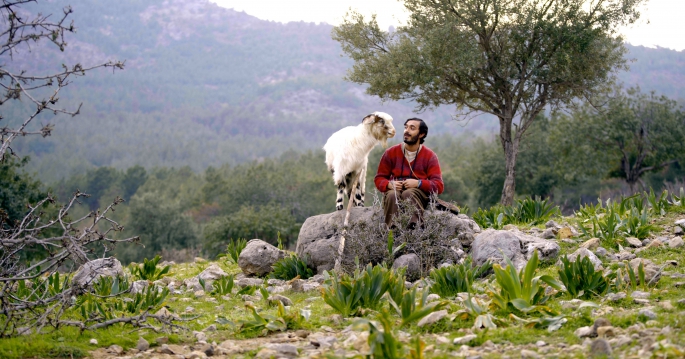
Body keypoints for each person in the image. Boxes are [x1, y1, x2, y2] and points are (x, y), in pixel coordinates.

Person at [374, 118, 444, 228]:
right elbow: (379, 178)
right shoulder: (390, 153)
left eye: (412, 128)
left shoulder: (430, 156)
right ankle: (392, 232)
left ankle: (414, 229)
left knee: (409, 193)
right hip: (394, 193)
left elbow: (438, 186)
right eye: (406, 127)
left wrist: (418, 184)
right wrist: (389, 184)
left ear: (421, 134)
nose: (407, 131)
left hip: (418, 195)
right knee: (392, 194)